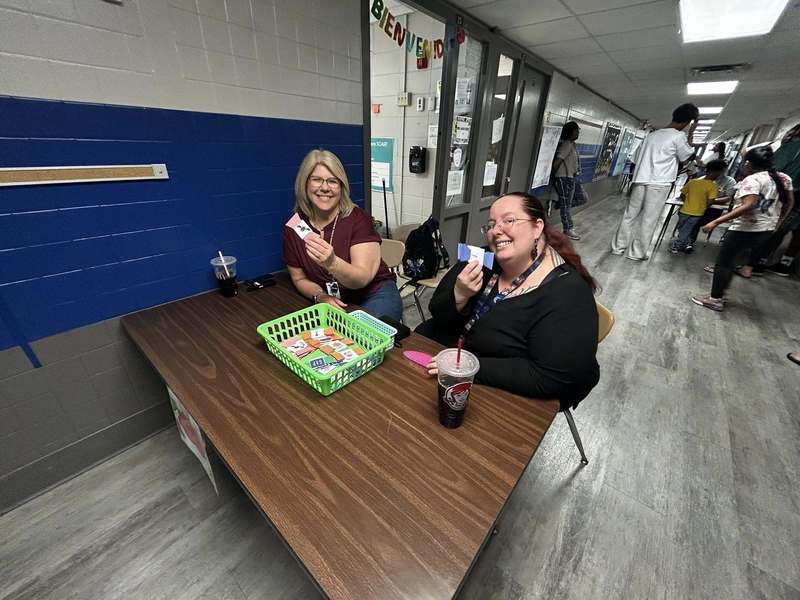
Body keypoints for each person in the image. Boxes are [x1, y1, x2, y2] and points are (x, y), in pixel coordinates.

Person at [416, 192, 599, 410]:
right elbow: (436, 309)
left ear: (537, 227)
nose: (496, 230)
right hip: (443, 362)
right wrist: (460, 293)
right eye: (491, 224)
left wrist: (469, 368)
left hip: (504, 392)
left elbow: (551, 377)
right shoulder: (482, 259)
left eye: (509, 220)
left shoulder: (568, 293)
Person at [283, 149, 403, 321]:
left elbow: (362, 279)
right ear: (304, 184)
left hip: (374, 295)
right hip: (334, 300)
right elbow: (299, 278)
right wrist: (320, 296)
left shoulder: (358, 219)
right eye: (316, 179)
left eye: (332, 181)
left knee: (360, 339)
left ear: (341, 186)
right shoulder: (295, 226)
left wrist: (331, 262)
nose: (325, 187)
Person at [691, 146, 794, 312]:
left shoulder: (752, 180)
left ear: (748, 163)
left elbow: (749, 204)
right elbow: (790, 202)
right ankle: (720, 295)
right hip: (766, 230)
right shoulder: (784, 178)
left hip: (744, 229)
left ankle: (715, 299)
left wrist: (715, 221)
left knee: (723, 264)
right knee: (734, 262)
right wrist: (779, 222)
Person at [611, 103, 699, 260]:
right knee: (649, 218)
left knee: (629, 215)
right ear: (688, 122)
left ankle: (618, 248)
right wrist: (691, 133)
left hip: (640, 179)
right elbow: (687, 157)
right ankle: (636, 253)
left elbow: (635, 159)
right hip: (659, 183)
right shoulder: (679, 136)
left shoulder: (651, 135)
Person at [753, 125, 800, 276]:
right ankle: (781, 264)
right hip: (797, 199)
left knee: (770, 228)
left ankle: (754, 263)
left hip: (783, 194)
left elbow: (772, 170)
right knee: (787, 231)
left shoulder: (791, 148)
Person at [670, 161, 725, 254]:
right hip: (697, 213)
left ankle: (680, 245)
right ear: (717, 173)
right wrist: (703, 206)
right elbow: (710, 201)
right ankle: (682, 245)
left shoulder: (693, 182)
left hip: (684, 210)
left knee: (683, 228)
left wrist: (688, 202)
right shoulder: (713, 186)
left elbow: (682, 194)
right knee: (687, 229)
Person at [687, 164, 737, 251]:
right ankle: (687, 241)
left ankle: (689, 241)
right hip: (699, 207)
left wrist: (711, 200)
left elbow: (728, 197)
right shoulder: (701, 179)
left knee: (696, 221)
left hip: (713, 210)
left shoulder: (730, 181)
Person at [551, 121, 587, 241]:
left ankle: (560, 204)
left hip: (572, 178)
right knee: (566, 206)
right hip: (564, 178)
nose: (578, 132)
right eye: (577, 130)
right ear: (571, 132)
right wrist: (553, 175)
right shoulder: (566, 144)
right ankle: (568, 229)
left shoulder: (573, 144)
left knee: (582, 198)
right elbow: (558, 160)